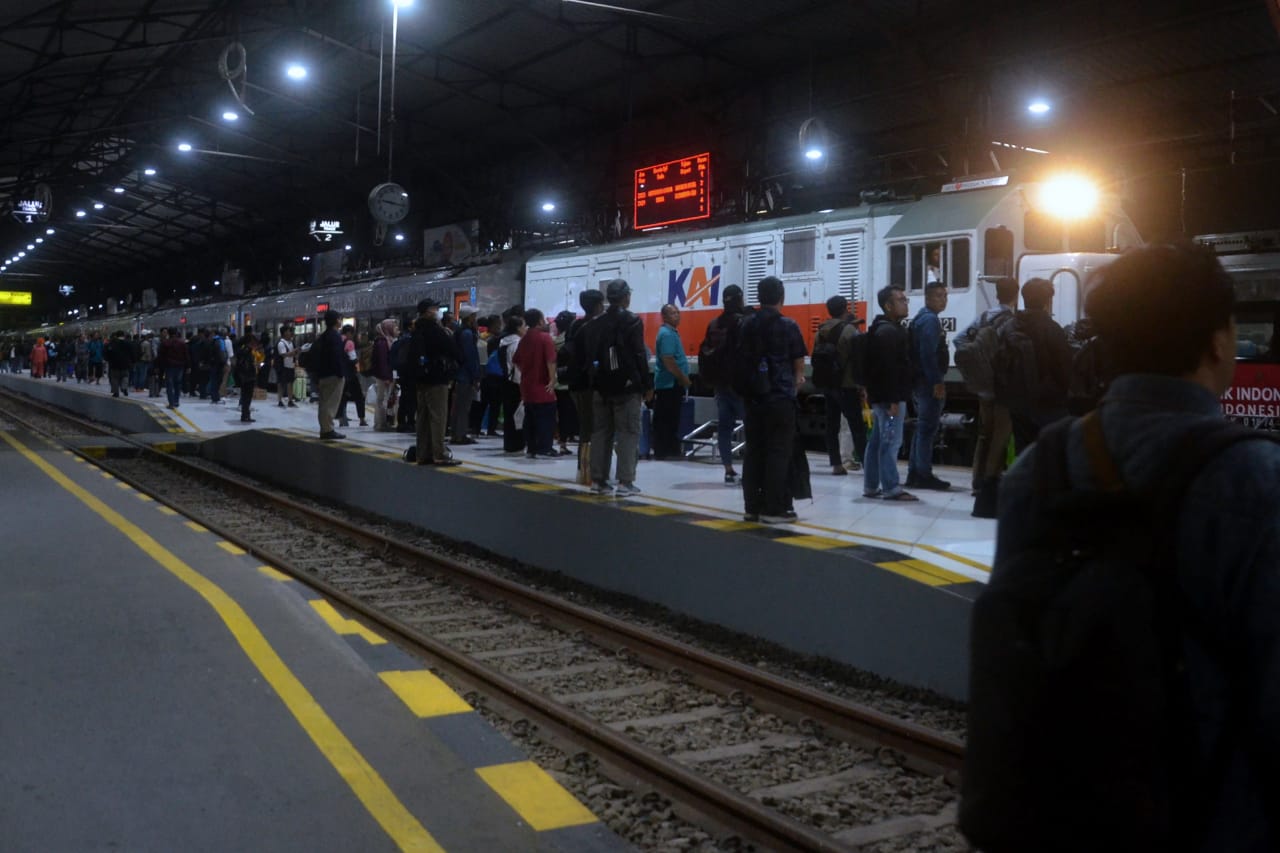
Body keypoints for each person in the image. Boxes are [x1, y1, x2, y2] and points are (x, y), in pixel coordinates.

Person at [961, 244, 1280, 852]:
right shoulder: (1254, 480)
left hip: (1062, 813)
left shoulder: (1039, 468)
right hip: (1207, 820)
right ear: (1219, 342)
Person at [736, 276, 807, 523]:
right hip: (779, 398)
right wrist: (797, 381)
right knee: (779, 451)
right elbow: (799, 362)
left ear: (759, 297)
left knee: (754, 450)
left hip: (753, 398)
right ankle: (773, 508)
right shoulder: (788, 325)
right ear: (781, 297)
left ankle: (751, 507)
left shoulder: (746, 325)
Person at [580, 278, 650, 495]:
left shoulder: (595, 323)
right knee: (628, 432)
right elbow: (639, 354)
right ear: (626, 297)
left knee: (601, 432)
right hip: (626, 388)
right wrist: (646, 383)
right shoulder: (632, 321)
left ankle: (598, 481)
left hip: (601, 386)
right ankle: (625, 482)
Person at [957, 275, 1018, 510]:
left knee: (984, 434)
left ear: (997, 294)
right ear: (1015, 294)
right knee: (1000, 437)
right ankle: (991, 481)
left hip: (984, 388)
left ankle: (977, 480)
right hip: (1002, 387)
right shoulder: (1012, 321)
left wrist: (977, 366)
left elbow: (961, 340)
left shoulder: (984, 317)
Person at [997, 278, 1073, 453]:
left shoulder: (1009, 327)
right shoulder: (1051, 329)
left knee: (1023, 450)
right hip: (1049, 404)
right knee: (1051, 452)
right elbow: (1064, 369)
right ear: (1048, 301)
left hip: (1018, 403)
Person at [862, 285, 917, 501]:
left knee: (877, 440)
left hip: (883, 397)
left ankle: (870, 486)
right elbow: (889, 369)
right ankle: (891, 487)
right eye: (901, 300)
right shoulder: (889, 332)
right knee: (890, 441)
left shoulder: (881, 329)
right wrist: (894, 399)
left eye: (905, 299)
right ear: (888, 305)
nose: (905, 303)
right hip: (890, 399)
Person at [700, 284, 748, 485]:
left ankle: (728, 470)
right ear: (740, 299)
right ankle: (750, 471)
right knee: (751, 428)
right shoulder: (743, 323)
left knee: (725, 428)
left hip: (720, 384)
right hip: (740, 385)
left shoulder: (713, 324)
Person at [815, 295, 868, 476]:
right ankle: (868, 465)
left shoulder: (820, 331)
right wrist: (862, 386)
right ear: (845, 308)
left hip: (828, 385)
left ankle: (836, 465)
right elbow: (859, 361)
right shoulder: (850, 331)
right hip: (847, 385)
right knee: (857, 427)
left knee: (832, 426)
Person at [906, 280, 951, 490]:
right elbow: (928, 354)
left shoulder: (920, 318)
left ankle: (915, 473)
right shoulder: (930, 321)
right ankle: (923, 474)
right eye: (939, 296)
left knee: (922, 428)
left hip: (919, 381)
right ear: (928, 298)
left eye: (945, 295)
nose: (944, 300)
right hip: (927, 383)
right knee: (927, 428)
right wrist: (937, 382)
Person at [412, 299, 460, 466]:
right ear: (427, 311)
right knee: (438, 416)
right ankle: (439, 454)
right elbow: (452, 350)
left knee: (423, 418)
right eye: (435, 308)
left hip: (421, 379)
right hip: (436, 378)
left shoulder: (417, 329)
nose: (437, 310)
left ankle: (422, 454)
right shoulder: (435, 330)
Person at [566, 291, 605, 482]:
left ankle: (584, 469)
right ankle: (587, 471)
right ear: (598, 305)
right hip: (587, 384)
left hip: (575, 382)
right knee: (590, 428)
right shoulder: (594, 327)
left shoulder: (575, 325)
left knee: (586, 427)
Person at [513, 308, 558, 458]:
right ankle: (545, 447)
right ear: (539, 321)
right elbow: (550, 361)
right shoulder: (545, 338)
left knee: (530, 417)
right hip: (542, 385)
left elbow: (517, 361)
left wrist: (527, 371)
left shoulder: (524, 339)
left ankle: (531, 447)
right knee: (546, 417)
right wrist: (552, 380)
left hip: (526, 384)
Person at [652, 304, 692, 460]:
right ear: (665, 317)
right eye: (673, 313)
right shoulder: (667, 334)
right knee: (667, 419)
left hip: (670, 383)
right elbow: (668, 360)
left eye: (677, 312)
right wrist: (683, 378)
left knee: (669, 418)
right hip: (669, 384)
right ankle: (665, 451)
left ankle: (667, 449)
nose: (677, 315)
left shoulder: (671, 333)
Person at [451, 305, 482, 444]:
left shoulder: (459, 332)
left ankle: (456, 433)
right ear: (469, 318)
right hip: (465, 375)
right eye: (474, 316)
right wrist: (475, 376)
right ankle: (460, 435)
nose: (476, 319)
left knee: (458, 406)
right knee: (463, 406)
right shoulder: (467, 334)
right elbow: (471, 356)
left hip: (460, 374)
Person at [314, 310, 347, 440]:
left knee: (323, 403)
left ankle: (325, 428)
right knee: (330, 403)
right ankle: (328, 430)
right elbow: (336, 357)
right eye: (339, 319)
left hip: (323, 374)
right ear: (336, 320)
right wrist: (340, 373)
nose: (340, 321)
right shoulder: (335, 336)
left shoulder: (323, 336)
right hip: (333, 375)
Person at [498, 312, 527, 454]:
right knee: (518, 415)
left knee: (510, 414)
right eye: (523, 326)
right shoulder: (517, 343)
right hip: (515, 382)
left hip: (505, 380)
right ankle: (517, 443)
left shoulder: (503, 342)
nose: (525, 328)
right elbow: (517, 366)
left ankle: (509, 443)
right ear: (517, 328)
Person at [371, 319, 397, 430]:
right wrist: (386, 376)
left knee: (382, 399)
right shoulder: (383, 342)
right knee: (382, 399)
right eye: (395, 328)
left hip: (384, 375)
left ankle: (381, 423)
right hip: (384, 376)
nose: (397, 330)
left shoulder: (386, 341)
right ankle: (381, 423)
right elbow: (383, 362)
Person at [156, 326, 189, 409]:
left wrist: (158, 366)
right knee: (177, 384)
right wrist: (188, 366)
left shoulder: (165, 343)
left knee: (169, 385)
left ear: (169, 333)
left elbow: (160, 356)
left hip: (169, 366)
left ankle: (171, 403)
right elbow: (186, 355)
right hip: (180, 366)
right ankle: (176, 401)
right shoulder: (182, 343)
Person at [233, 327, 259, 423]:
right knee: (247, 396)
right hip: (247, 376)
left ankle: (245, 415)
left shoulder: (241, 350)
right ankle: (245, 415)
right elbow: (247, 364)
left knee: (245, 396)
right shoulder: (247, 351)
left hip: (243, 376)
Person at [276, 325, 298, 407]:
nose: (290, 333)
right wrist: (294, 352)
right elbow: (284, 355)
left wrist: (297, 353)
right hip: (283, 367)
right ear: (284, 333)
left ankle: (290, 400)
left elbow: (294, 354)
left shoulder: (291, 343)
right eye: (289, 331)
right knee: (281, 383)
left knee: (290, 383)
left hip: (290, 366)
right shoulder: (281, 343)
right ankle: (280, 400)